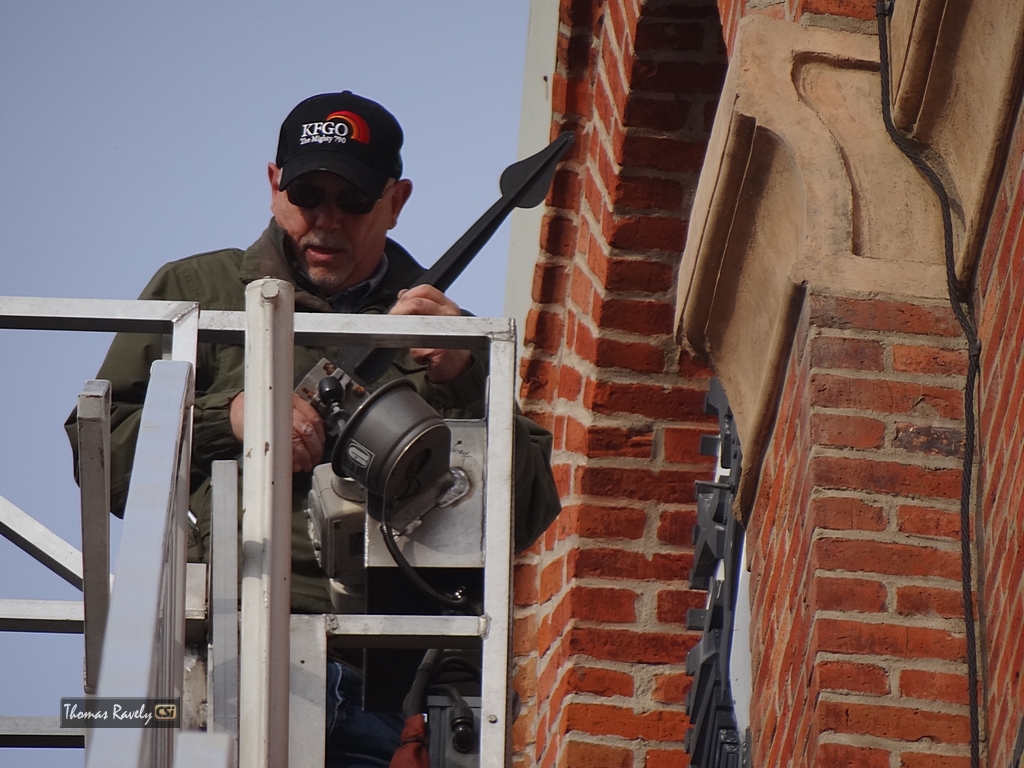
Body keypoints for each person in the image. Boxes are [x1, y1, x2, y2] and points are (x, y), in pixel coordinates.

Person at [65, 91, 561, 767]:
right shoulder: (198, 292)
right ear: (273, 185)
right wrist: (233, 420)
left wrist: (463, 375)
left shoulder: (448, 332)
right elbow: (104, 450)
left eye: (352, 200)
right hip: (221, 658)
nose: (326, 220)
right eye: (307, 194)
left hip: (387, 681)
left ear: (396, 200)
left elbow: (528, 509)